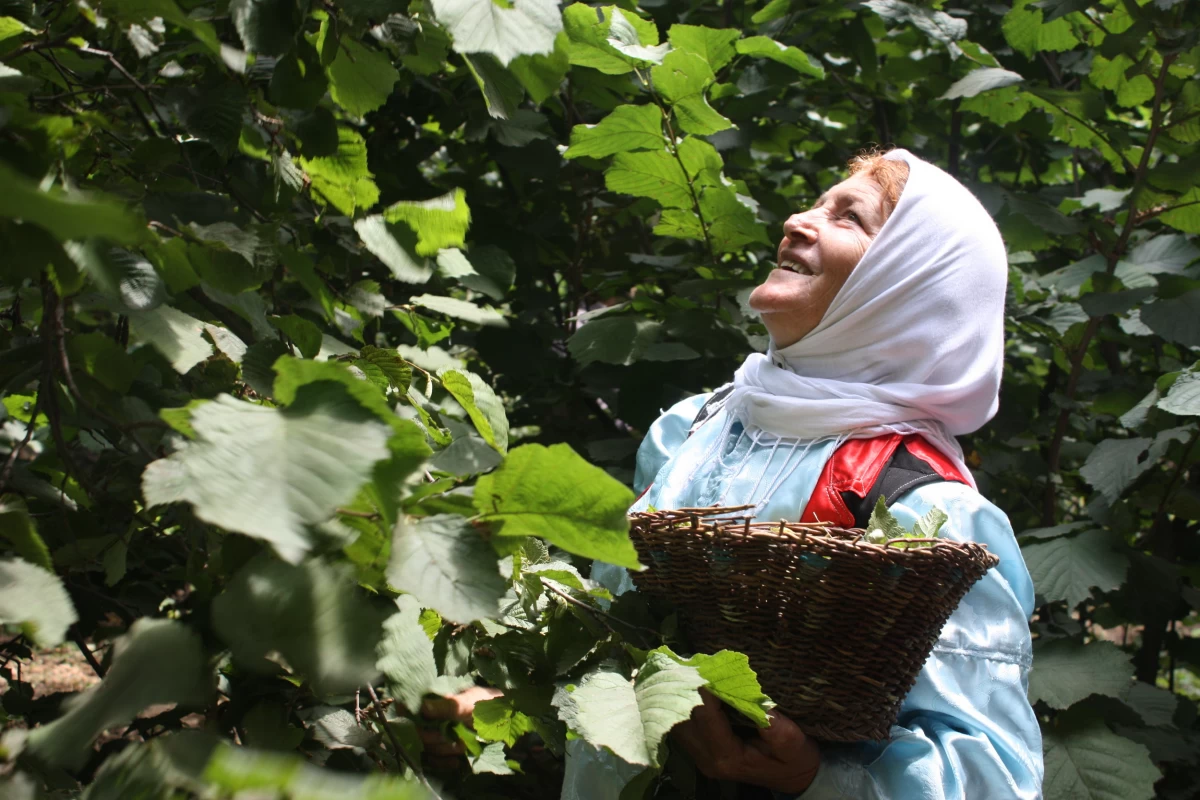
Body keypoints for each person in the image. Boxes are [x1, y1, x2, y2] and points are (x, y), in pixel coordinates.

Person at [562, 148, 1044, 799]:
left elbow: (997, 780)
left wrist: (819, 780)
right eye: (817, 202)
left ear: (906, 282)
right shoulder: (691, 430)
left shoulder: (922, 512)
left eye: (849, 218)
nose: (797, 220)